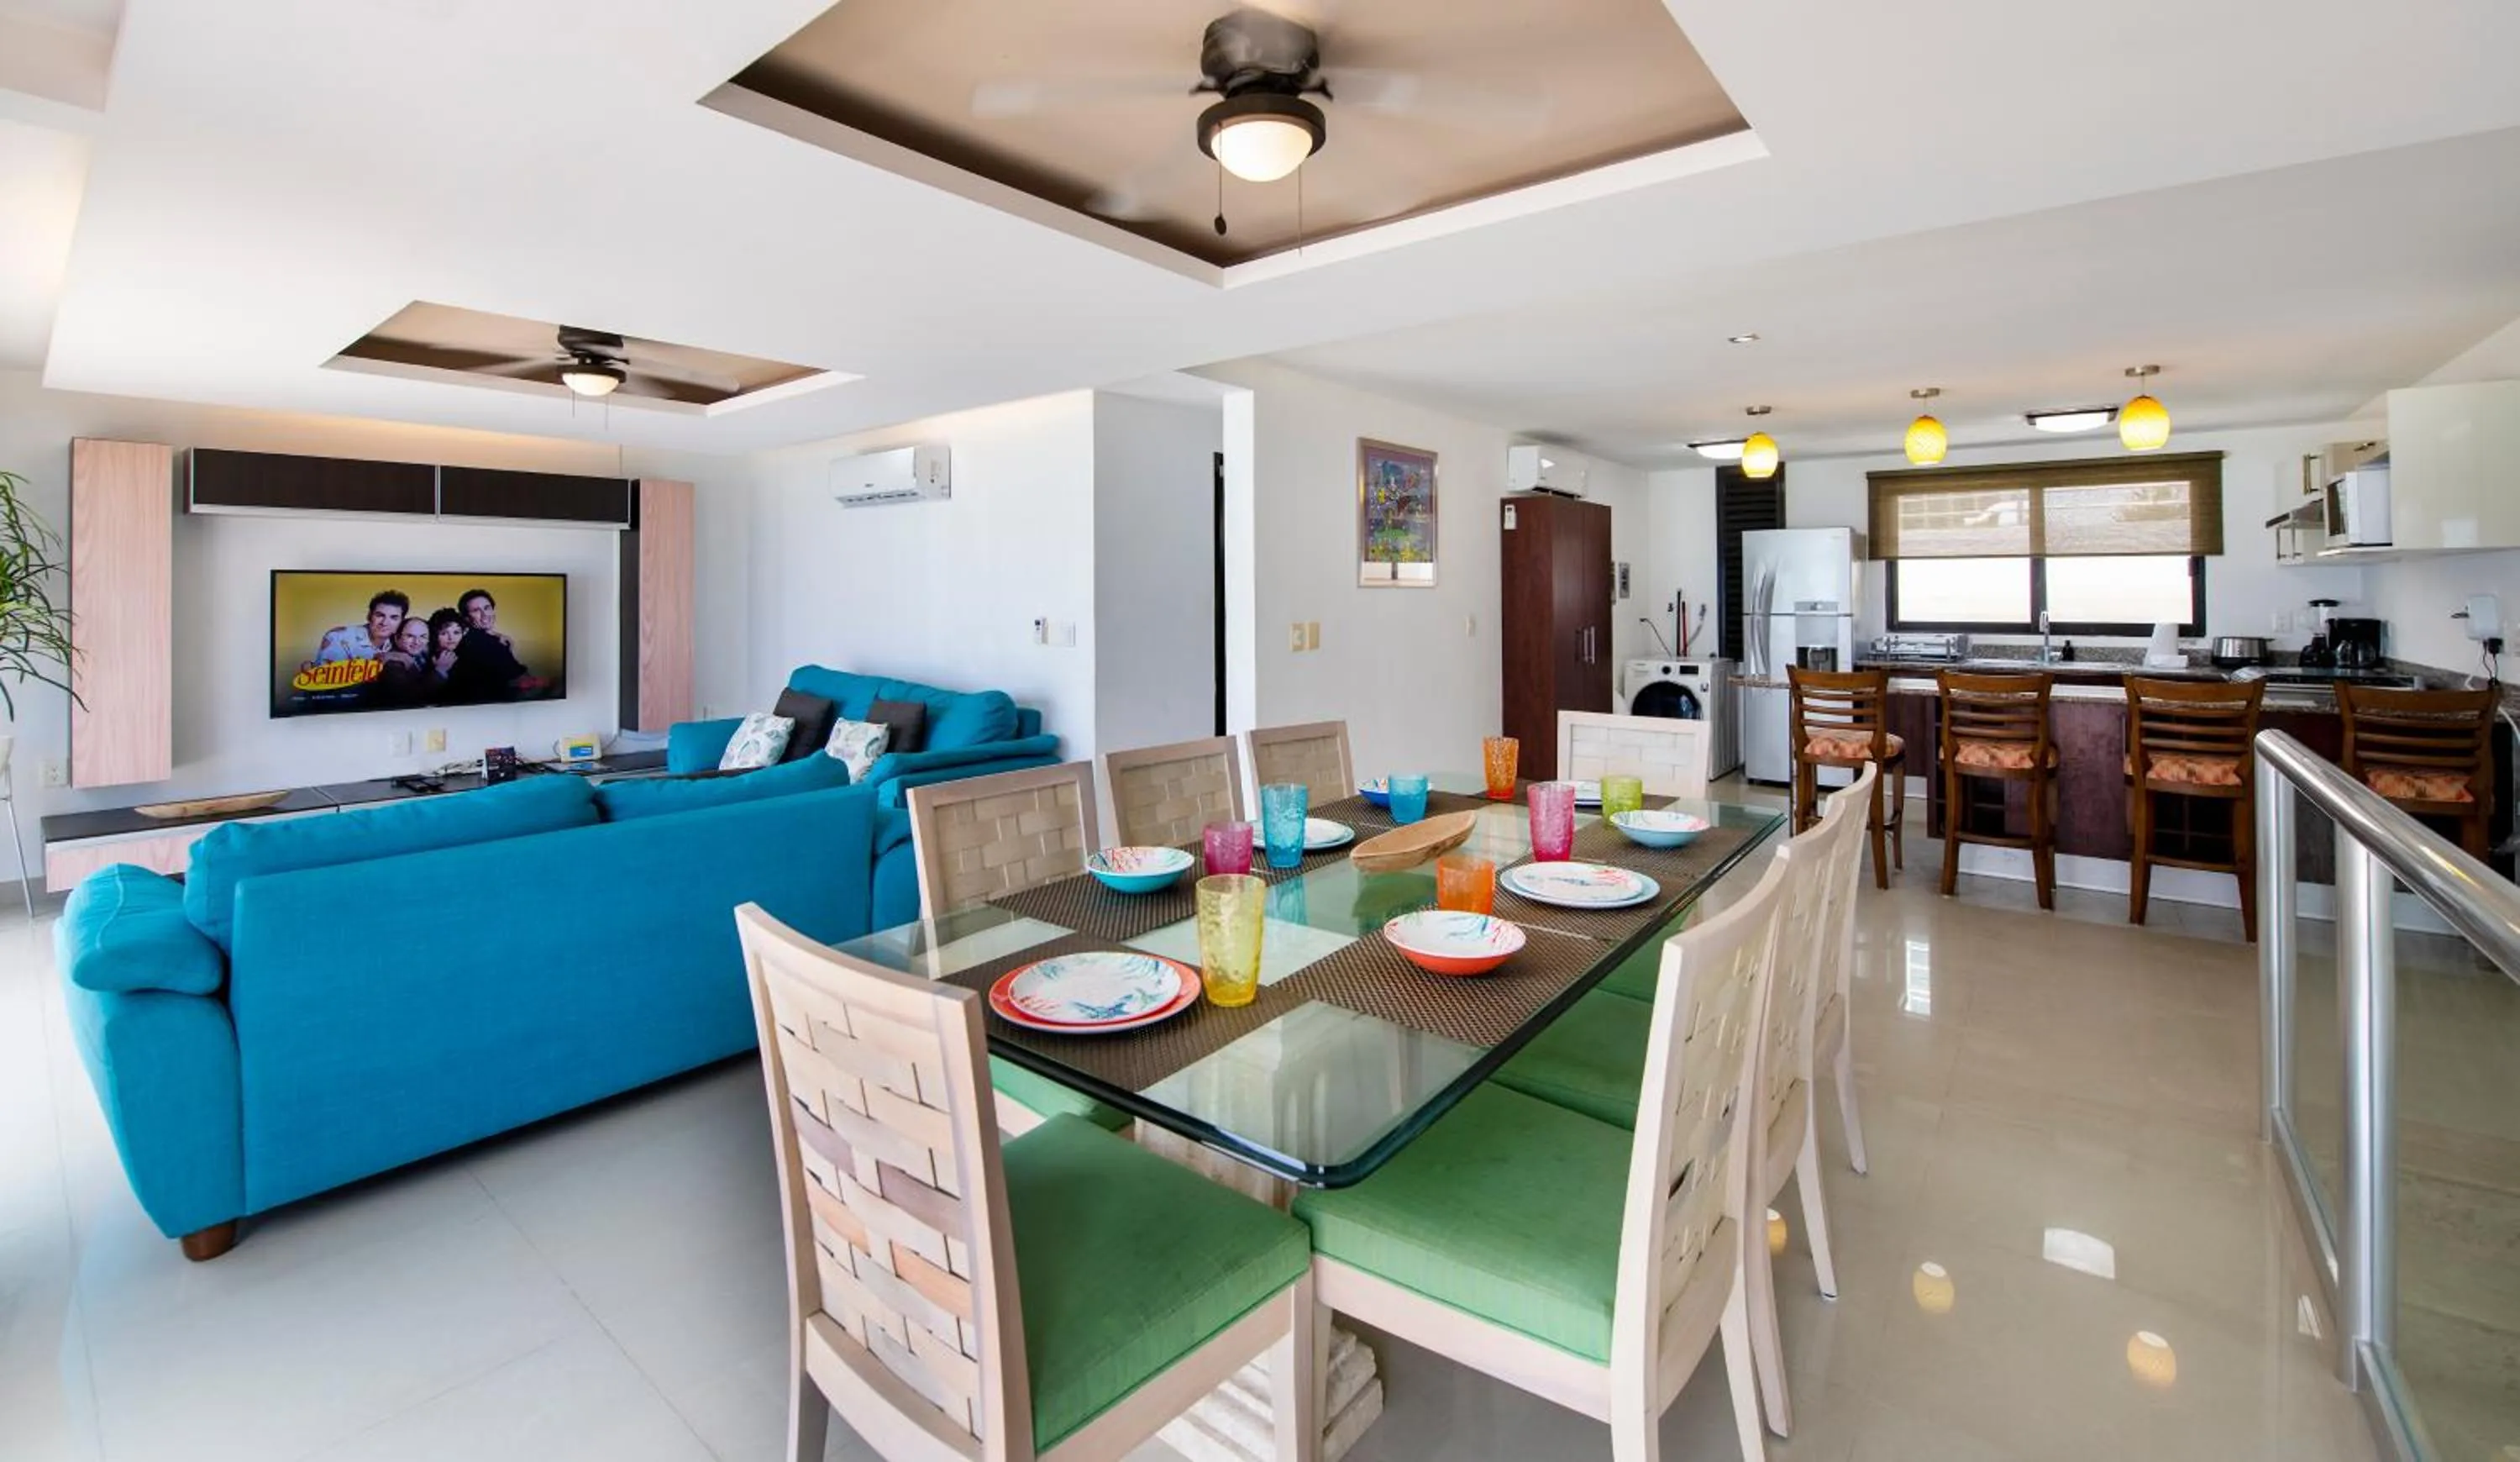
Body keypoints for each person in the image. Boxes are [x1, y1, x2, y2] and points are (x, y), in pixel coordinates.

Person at [311, 591, 407, 665]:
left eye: (394, 618)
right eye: (379, 615)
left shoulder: (399, 642)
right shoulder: (338, 637)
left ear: (401, 621)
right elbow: (324, 681)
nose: (384, 623)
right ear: (369, 616)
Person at [369, 614, 437, 709]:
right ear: (397, 638)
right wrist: (440, 672)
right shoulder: (392, 665)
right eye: (410, 636)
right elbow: (411, 700)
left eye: (423, 637)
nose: (417, 642)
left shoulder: (420, 653)